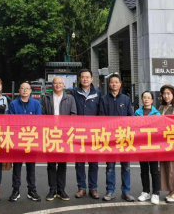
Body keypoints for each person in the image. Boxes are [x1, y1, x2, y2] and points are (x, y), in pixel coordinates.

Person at [99, 74, 135, 202]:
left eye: (116, 82)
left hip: (123, 138)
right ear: (109, 84)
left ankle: (126, 191)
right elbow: (101, 117)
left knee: (126, 167)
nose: (114, 84)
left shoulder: (126, 99)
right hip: (109, 138)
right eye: (112, 82)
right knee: (110, 167)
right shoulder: (104, 99)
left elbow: (130, 117)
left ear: (120, 84)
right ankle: (110, 191)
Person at [41, 76, 77, 201]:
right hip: (50, 134)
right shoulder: (46, 98)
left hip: (64, 135)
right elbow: (42, 115)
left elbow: (73, 115)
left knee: (62, 163)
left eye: (60, 83)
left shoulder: (70, 98)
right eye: (55, 83)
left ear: (64, 85)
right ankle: (52, 189)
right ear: (52, 85)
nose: (58, 85)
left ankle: (61, 190)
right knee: (51, 163)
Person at [7, 81, 42, 202]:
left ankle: (32, 190)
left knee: (31, 166)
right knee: (17, 166)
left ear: (30, 91)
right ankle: (15, 190)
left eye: (27, 88)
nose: (25, 90)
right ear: (19, 90)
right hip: (17, 140)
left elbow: (38, 121)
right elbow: (12, 122)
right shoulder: (13, 104)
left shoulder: (36, 103)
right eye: (22, 88)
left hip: (31, 139)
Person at [72, 68, 101, 200]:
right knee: (79, 162)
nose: (85, 79)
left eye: (87, 77)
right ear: (79, 79)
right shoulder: (74, 93)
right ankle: (81, 187)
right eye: (83, 77)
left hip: (94, 133)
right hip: (78, 133)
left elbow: (101, 112)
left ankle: (93, 188)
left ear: (92, 79)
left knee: (94, 162)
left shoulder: (98, 93)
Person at [158, 84, 174, 204]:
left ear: (173, 95)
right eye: (164, 93)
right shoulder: (161, 107)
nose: (166, 96)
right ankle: (171, 190)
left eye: (168, 93)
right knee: (167, 167)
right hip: (164, 143)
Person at [134, 91, 161, 205]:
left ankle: (156, 193)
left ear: (152, 100)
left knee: (154, 171)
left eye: (148, 98)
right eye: (144, 97)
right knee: (144, 170)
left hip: (153, 146)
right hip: (141, 146)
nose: (146, 99)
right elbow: (134, 128)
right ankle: (146, 191)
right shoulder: (137, 113)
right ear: (142, 99)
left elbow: (160, 129)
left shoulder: (157, 113)